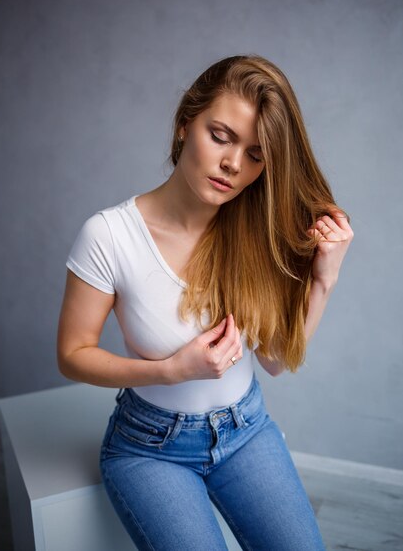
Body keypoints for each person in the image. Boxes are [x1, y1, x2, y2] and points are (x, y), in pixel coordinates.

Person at [57, 54, 353, 550]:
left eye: (256, 155)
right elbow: (72, 355)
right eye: (221, 136)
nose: (234, 165)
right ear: (183, 125)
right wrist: (172, 370)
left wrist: (324, 278)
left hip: (246, 431)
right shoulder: (109, 235)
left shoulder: (257, 231)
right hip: (150, 449)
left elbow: (276, 362)